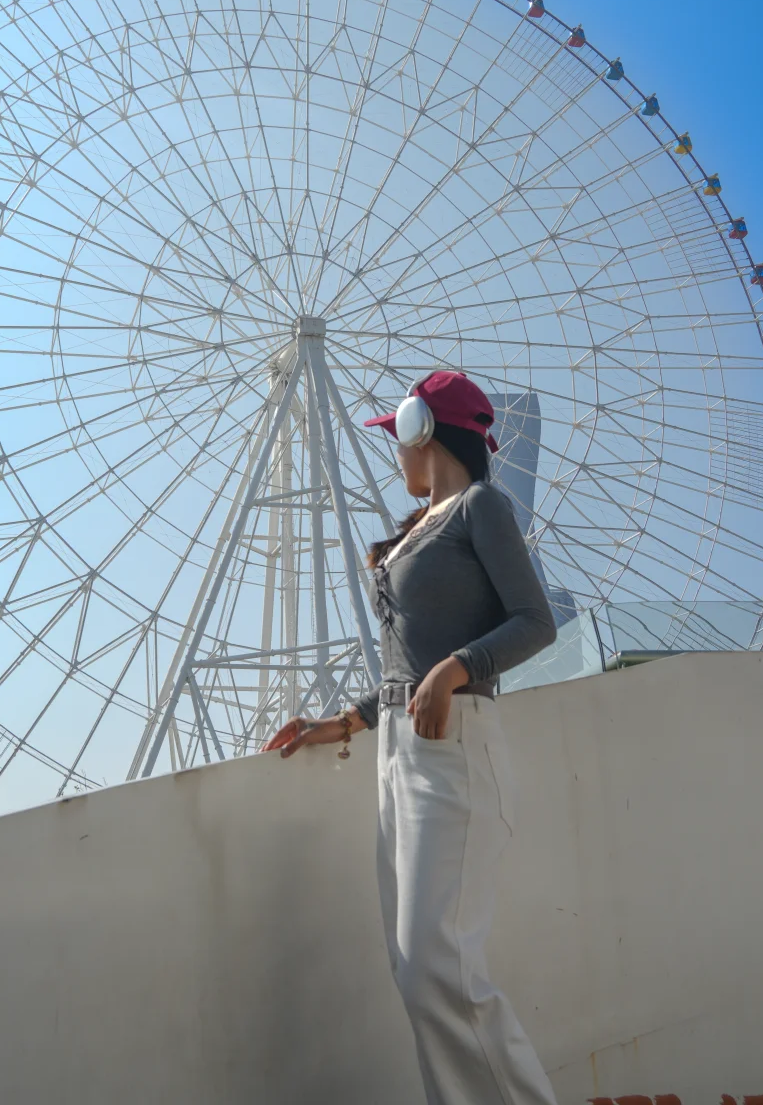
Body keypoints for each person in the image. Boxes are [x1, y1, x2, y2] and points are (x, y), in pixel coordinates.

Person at [263, 370, 560, 1105]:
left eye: (396, 436)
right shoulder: (418, 527)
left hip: (455, 746)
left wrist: (458, 668)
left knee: (437, 967)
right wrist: (348, 720)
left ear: (420, 429)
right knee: (412, 971)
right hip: (399, 750)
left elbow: (536, 621)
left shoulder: (480, 506)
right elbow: (407, 665)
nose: (393, 452)